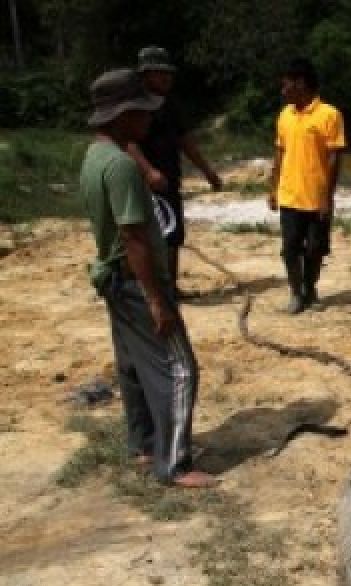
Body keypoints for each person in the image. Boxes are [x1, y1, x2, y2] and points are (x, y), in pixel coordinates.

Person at [79, 69, 215, 488]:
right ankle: (173, 464)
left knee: (133, 365)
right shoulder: (121, 166)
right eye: (142, 111)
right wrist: (157, 299)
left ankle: (142, 445)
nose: (149, 119)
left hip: (114, 281)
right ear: (122, 116)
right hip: (137, 282)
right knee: (180, 369)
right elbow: (134, 235)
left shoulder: (94, 157)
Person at [126, 46, 223, 296]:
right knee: (143, 236)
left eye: (168, 73)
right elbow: (128, 142)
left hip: (169, 181)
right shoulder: (135, 106)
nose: (167, 78)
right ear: (146, 75)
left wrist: (207, 170)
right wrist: (148, 172)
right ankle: (146, 289)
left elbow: (185, 140)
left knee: (173, 234)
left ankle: (169, 288)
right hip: (141, 183)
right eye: (160, 73)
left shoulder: (170, 104)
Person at [267, 58, 345, 313]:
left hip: (316, 196)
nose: (283, 91)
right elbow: (279, 152)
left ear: (300, 84)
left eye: (286, 85)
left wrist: (327, 196)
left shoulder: (329, 115)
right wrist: (273, 187)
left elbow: (334, 159)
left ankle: (310, 289)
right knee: (289, 248)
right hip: (290, 195)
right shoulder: (284, 115)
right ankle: (296, 292)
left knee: (315, 248)